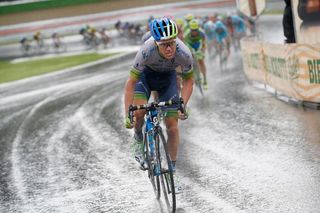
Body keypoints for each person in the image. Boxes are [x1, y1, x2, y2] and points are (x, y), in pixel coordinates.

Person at [124, 17, 194, 192]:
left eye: (172, 43)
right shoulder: (146, 51)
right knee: (139, 113)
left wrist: (182, 104)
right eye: (164, 44)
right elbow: (131, 83)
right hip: (145, 78)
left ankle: (172, 173)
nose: (169, 48)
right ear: (156, 43)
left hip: (167, 80)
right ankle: (139, 138)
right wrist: (128, 112)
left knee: (173, 127)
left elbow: (189, 80)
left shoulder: (183, 52)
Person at [184, 19, 208, 89]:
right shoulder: (187, 34)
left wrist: (203, 49)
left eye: (195, 30)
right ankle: (194, 75)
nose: (194, 32)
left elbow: (203, 43)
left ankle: (205, 80)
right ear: (190, 29)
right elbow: (185, 46)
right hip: (190, 45)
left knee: (201, 61)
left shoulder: (202, 33)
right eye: (192, 30)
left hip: (198, 45)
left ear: (198, 29)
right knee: (190, 61)